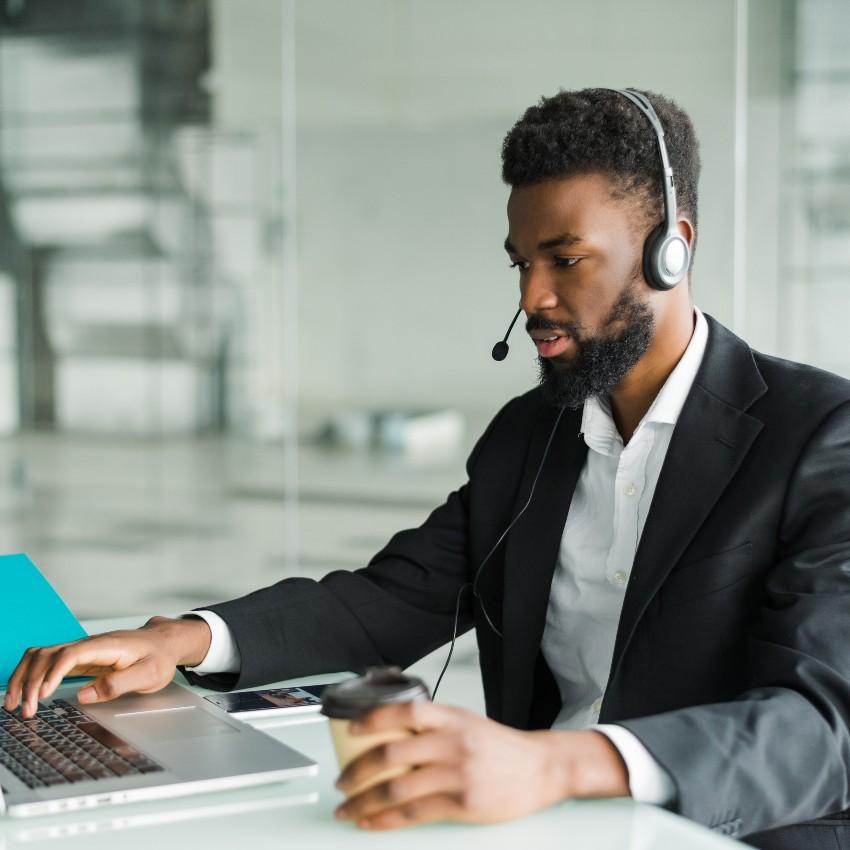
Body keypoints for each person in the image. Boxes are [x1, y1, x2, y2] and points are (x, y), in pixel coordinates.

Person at [5, 88, 850, 848]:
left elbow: (820, 726)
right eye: (521, 264)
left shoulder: (817, 437)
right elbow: (393, 599)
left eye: (566, 258)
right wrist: (177, 640)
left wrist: (560, 766)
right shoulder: (532, 434)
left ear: (672, 249)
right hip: (539, 824)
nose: (531, 301)